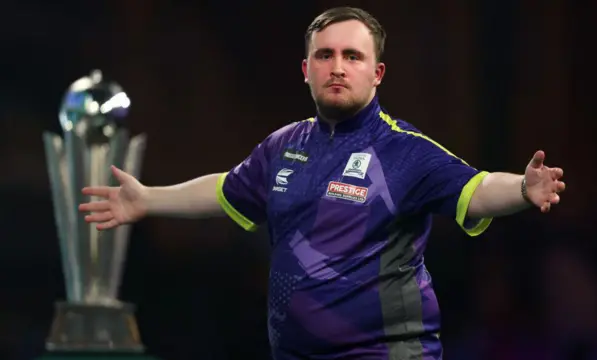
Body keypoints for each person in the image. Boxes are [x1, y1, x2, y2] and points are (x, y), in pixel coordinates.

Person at [79, 6, 566, 360]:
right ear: (306, 70)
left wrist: (522, 190)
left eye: (352, 56)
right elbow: (227, 190)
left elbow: (476, 189)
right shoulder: (283, 145)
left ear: (376, 74)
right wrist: (148, 199)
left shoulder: (404, 150)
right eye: (325, 55)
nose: (337, 66)